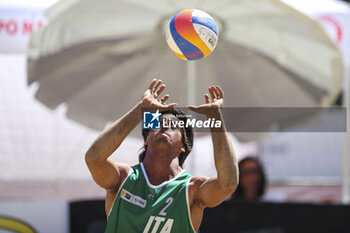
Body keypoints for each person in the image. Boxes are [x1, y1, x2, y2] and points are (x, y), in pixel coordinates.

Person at [85, 79, 239, 233]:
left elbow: (229, 183)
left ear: (183, 146)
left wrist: (215, 117)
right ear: (146, 140)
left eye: (173, 125)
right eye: (157, 124)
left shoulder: (191, 189)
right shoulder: (124, 178)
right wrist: (140, 110)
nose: (164, 126)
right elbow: (93, 158)